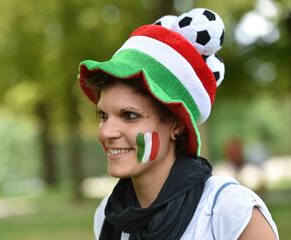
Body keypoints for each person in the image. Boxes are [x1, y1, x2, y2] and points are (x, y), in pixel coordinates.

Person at [77, 8, 279, 240]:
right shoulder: (108, 215)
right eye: (103, 115)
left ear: (176, 125)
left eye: (130, 115)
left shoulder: (228, 211)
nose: (106, 131)